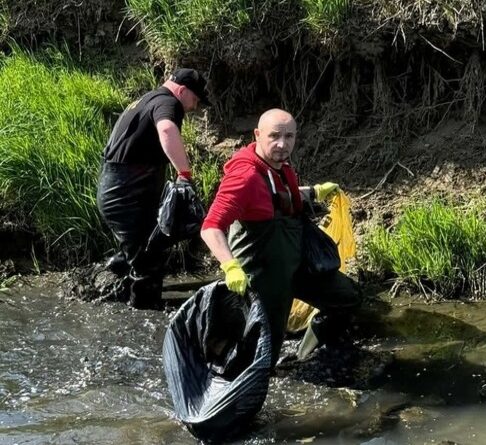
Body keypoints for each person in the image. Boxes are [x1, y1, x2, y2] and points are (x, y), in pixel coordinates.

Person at [200, 108, 361, 367]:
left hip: (296, 266)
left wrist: (312, 192)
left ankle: (303, 357)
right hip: (263, 277)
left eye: (289, 137)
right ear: (257, 135)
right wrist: (230, 267)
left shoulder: (279, 166)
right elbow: (210, 227)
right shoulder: (244, 177)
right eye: (274, 136)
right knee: (265, 349)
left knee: (346, 297)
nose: (282, 144)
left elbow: (276, 196)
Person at [97, 68, 210, 309]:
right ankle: (141, 317)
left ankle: (112, 282)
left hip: (118, 188)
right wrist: (184, 174)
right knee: (148, 261)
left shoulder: (147, 99)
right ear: (182, 90)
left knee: (146, 246)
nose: (194, 107)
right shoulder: (168, 102)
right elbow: (167, 129)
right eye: (195, 99)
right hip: (125, 194)